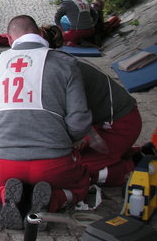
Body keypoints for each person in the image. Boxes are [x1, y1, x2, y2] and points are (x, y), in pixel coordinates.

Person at [0, 15, 91, 229]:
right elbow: (79, 120)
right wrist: (62, 140)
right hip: (54, 163)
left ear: (10, 40)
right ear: (41, 34)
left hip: (5, 164)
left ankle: (5, 195)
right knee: (82, 184)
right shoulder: (65, 62)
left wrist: (5, 139)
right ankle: (53, 200)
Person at [41, 24, 142, 187]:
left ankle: (132, 168)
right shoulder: (62, 60)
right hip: (107, 121)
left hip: (119, 124)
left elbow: (73, 121)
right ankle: (132, 154)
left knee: (70, 170)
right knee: (70, 159)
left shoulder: (63, 69)